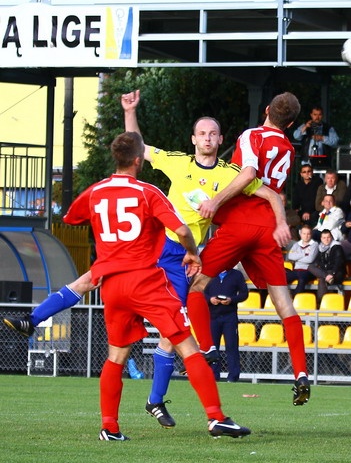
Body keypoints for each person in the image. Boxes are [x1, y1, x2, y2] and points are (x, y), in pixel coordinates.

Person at [3, 90, 276, 429]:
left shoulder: (230, 173)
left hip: (176, 263)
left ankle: (154, 400)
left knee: (163, 333)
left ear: (221, 139)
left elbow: (263, 190)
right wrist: (130, 112)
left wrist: (271, 215)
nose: (207, 137)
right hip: (158, 249)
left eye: (212, 133)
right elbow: (138, 148)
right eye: (201, 132)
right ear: (193, 139)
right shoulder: (175, 164)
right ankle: (204, 413)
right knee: (169, 330)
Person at [62, 131, 251, 440]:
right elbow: (179, 228)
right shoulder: (148, 192)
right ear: (139, 160)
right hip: (147, 279)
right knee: (187, 346)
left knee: (117, 355)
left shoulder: (97, 191)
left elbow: (72, 218)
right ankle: (216, 418)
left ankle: (110, 426)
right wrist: (193, 252)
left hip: (112, 283)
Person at [188, 91, 311, 406]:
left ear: (267, 109)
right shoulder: (287, 148)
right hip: (268, 229)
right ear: (292, 123)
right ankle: (300, 373)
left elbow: (249, 175)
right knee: (284, 304)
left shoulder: (251, 135)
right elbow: (273, 188)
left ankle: (207, 349)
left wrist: (214, 201)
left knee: (196, 285)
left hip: (240, 224)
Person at [204, 267, 248, 382]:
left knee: (232, 347)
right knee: (213, 347)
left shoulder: (237, 275)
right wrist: (210, 300)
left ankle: (233, 376)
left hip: (230, 316)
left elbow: (244, 294)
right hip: (212, 317)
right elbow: (201, 292)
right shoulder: (210, 273)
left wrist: (231, 300)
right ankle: (213, 376)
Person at [307, 229, 346, 303]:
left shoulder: (337, 247)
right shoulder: (320, 248)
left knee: (321, 279)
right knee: (310, 266)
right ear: (321, 239)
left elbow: (338, 263)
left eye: (328, 237)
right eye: (324, 238)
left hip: (336, 273)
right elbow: (317, 261)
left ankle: (321, 303)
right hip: (326, 272)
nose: (326, 240)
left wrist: (332, 274)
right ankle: (325, 276)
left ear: (331, 238)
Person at [286, 225, 319, 294]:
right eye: (304, 234)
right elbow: (290, 256)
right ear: (300, 234)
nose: (306, 236)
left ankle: (295, 299)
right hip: (296, 270)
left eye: (308, 234)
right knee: (283, 278)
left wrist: (297, 257)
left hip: (308, 271)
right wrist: (304, 254)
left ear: (311, 234)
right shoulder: (296, 244)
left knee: (302, 279)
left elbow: (310, 259)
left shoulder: (314, 245)